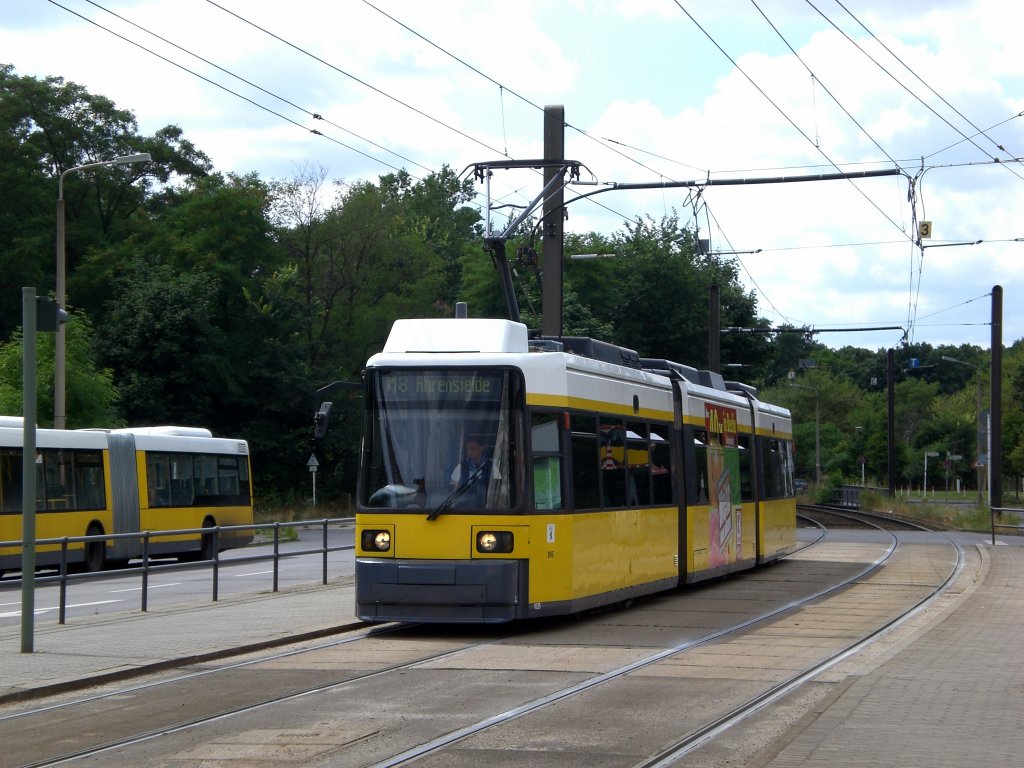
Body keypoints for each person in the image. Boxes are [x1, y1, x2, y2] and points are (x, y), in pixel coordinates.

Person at [450, 437, 496, 506]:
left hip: (486, 507)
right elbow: (453, 487)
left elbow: (497, 487)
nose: (470, 451)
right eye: (468, 448)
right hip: (463, 507)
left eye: (473, 448)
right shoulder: (460, 467)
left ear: (481, 448)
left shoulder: (493, 467)